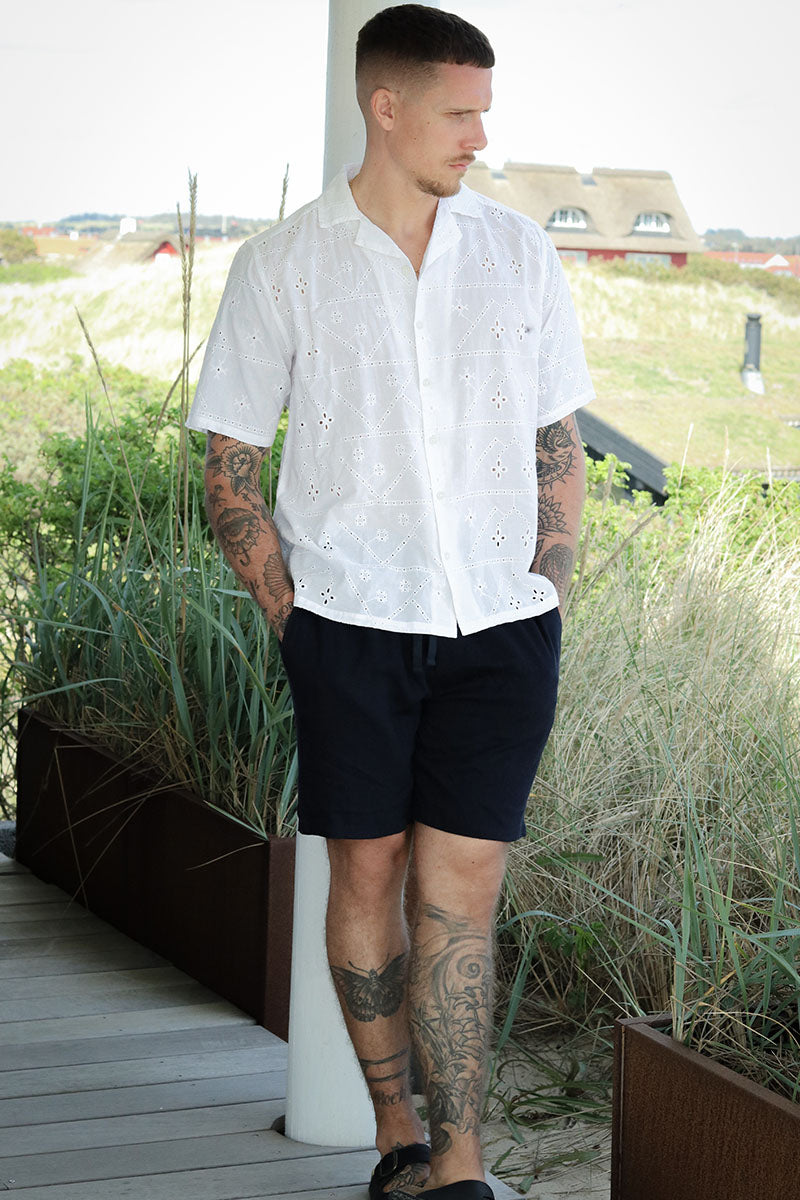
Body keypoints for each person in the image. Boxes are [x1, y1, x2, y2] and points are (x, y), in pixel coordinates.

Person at [186, 6, 593, 1198]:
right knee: (364, 879)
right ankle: (393, 1133)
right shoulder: (283, 266)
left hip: (499, 630)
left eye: (482, 112)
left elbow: (555, 440)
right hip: (348, 628)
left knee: (461, 891)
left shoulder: (519, 254)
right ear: (386, 106)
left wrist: (548, 586)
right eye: (459, 113)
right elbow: (229, 466)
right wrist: (295, 623)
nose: (479, 136)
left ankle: (458, 1167)